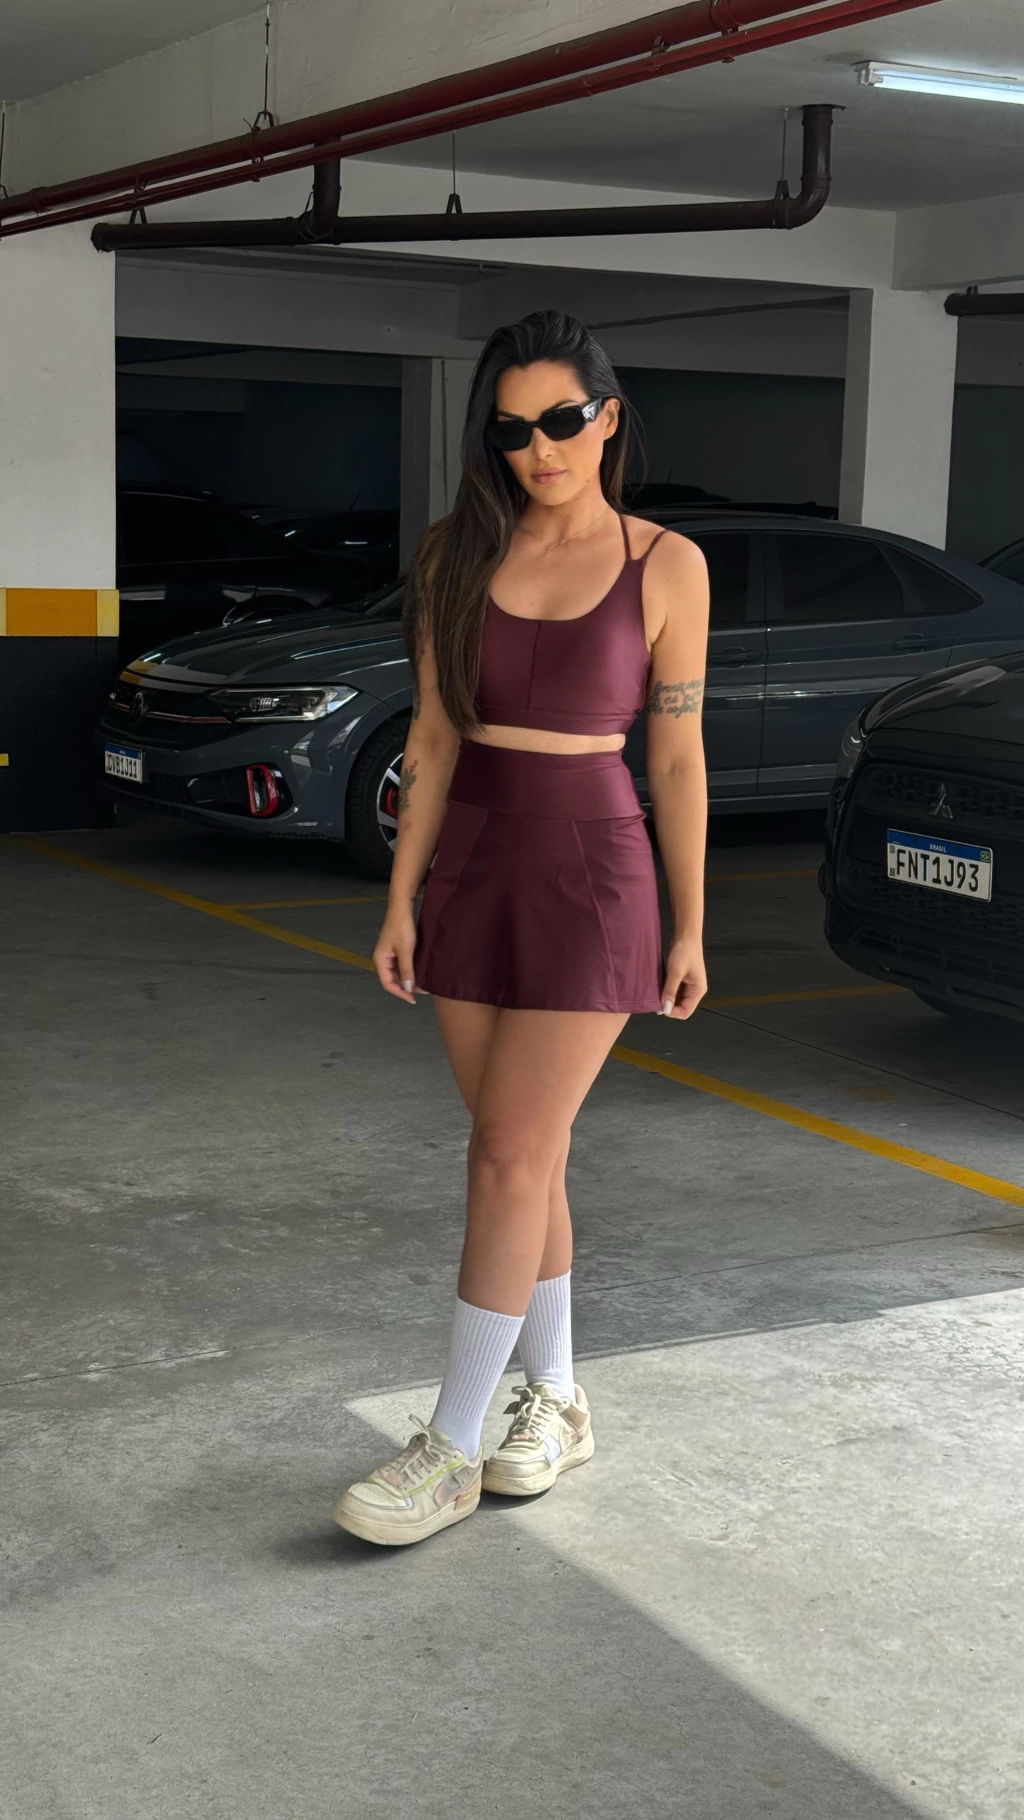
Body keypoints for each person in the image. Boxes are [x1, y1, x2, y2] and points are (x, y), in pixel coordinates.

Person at [334, 310, 709, 1547]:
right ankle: (558, 1397)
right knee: (525, 1158)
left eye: (560, 420)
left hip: (595, 871)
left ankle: (450, 1446)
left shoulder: (666, 563)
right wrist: (401, 894)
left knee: (504, 1153)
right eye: (511, 430)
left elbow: (676, 755)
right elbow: (433, 738)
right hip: (472, 863)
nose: (538, 448)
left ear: (606, 419)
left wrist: (690, 923)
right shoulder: (456, 552)